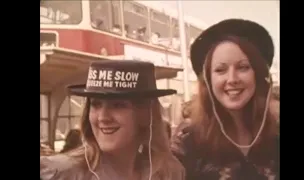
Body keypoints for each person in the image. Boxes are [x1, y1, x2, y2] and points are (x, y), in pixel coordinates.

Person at [171, 19, 279, 180]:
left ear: (258, 73)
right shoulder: (187, 141)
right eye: (220, 70)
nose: (232, 79)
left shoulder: (276, 132)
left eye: (243, 67)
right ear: (208, 81)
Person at [40, 60, 185, 180]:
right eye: (96, 104)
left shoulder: (168, 173)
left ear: (145, 113)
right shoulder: (58, 174)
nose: (103, 117)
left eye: (118, 105)